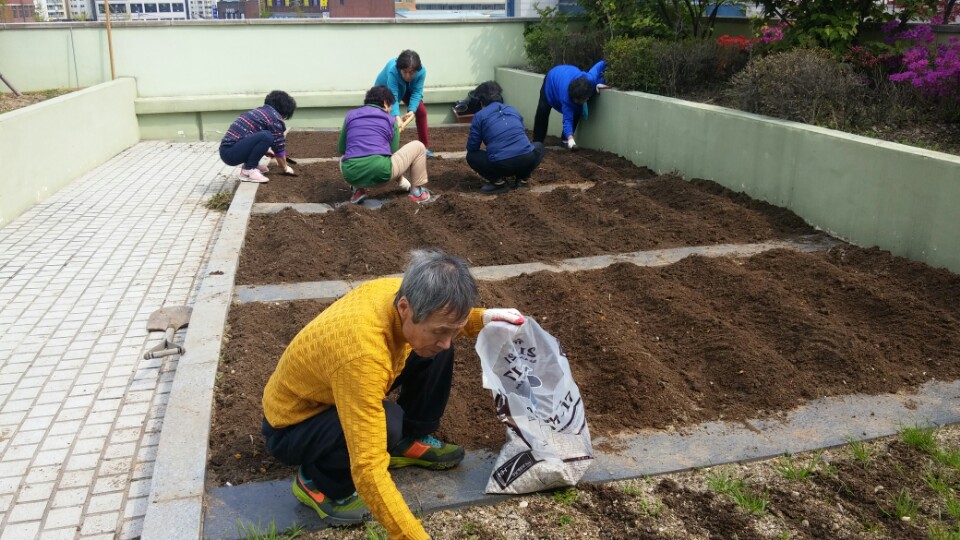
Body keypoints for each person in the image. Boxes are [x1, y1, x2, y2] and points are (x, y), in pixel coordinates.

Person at [261, 248, 526, 538]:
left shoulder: (403, 293)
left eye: (452, 330)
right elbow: (369, 468)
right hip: (292, 426)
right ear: (404, 308)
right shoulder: (362, 355)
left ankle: (409, 440)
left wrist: (485, 318)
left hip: (335, 388)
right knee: (387, 422)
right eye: (440, 330)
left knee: (436, 352)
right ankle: (319, 482)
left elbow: (442, 326)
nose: (447, 340)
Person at [338, 85, 432, 205]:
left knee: (343, 159)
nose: (390, 110)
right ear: (385, 103)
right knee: (418, 146)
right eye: (391, 106)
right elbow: (392, 152)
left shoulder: (350, 115)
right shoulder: (390, 120)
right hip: (381, 174)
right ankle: (417, 192)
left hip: (351, 175)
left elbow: (341, 148)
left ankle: (357, 190)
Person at [465, 81, 545, 194]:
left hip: (501, 164)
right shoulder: (512, 109)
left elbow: (472, 147)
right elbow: (522, 132)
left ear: (480, 102)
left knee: (472, 156)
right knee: (539, 146)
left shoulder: (479, 116)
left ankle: (498, 183)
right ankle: (523, 180)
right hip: (526, 160)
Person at [219, 90, 297, 183]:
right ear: (284, 110)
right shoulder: (274, 118)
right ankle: (249, 170)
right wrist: (285, 167)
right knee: (267, 136)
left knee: (266, 137)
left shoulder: (260, 112)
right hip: (230, 153)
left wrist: (264, 150)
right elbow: (279, 147)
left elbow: (250, 139)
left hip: (227, 150)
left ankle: (251, 166)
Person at [532, 61, 608, 150]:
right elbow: (567, 120)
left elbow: (602, 64)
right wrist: (571, 139)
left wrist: (600, 82)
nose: (586, 100)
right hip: (552, 80)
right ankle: (537, 142)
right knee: (543, 110)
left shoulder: (590, 79)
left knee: (577, 109)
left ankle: (565, 141)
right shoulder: (567, 98)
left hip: (567, 74)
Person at [374, 50, 435, 157]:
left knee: (421, 112)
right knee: (384, 117)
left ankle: (424, 148)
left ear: (416, 70)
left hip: (406, 88)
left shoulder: (421, 72)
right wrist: (397, 116)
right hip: (384, 90)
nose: (407, 75)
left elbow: (417, 92)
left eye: (411, 72)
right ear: (399, 69)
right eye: (404, 72)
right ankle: (379, 148)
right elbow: (393, 96)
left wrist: (412, 110)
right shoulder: (393, 71)